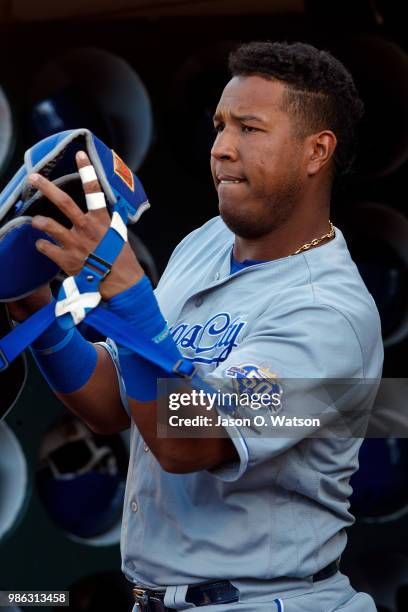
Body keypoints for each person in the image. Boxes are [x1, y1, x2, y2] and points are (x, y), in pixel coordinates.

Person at [8, 41, 383, 611]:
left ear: (317, 151)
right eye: (219, 125)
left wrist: (132, 306)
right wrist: (40, 315)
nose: (221, 149)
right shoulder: (205, 243)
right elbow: (116, 404)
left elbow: (188, 441)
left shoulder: (331, 316)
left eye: (249, 129)